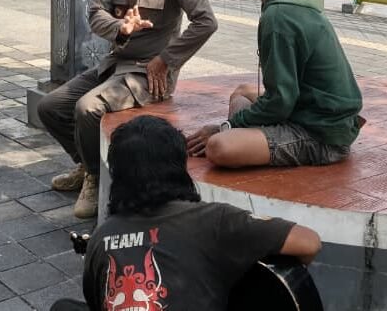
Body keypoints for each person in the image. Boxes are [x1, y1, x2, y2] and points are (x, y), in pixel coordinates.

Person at [37, 0, 218, 218]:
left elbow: (206, 21)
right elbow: (95, 14)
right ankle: (86, 164)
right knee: (50, 107)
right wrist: (121, 28)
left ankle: (95, 179)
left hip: (150, 72)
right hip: (115, 63)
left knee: (88, 107)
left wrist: (167, 59)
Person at [51, 115, 321, 311]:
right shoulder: (216, 221)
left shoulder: (101, 238)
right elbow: (309, 242)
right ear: (179, 168)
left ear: (118, 177)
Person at [186, 0, 364, 168]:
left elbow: (280, 101)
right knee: (241, 93)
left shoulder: (279, 16)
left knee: (219, 147)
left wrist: (224, 127)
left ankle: (242, 140)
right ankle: (246, 138)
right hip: (315, 110)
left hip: (322, 135)